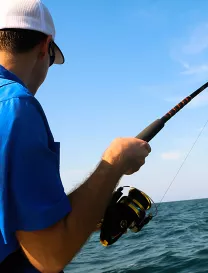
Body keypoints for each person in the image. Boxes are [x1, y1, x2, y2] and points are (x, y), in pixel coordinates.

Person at [0, 0, 151, 272]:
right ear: (44, 47)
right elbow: (48, 256)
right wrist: (114, 161)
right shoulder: (15, 106)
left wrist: (83, 213)